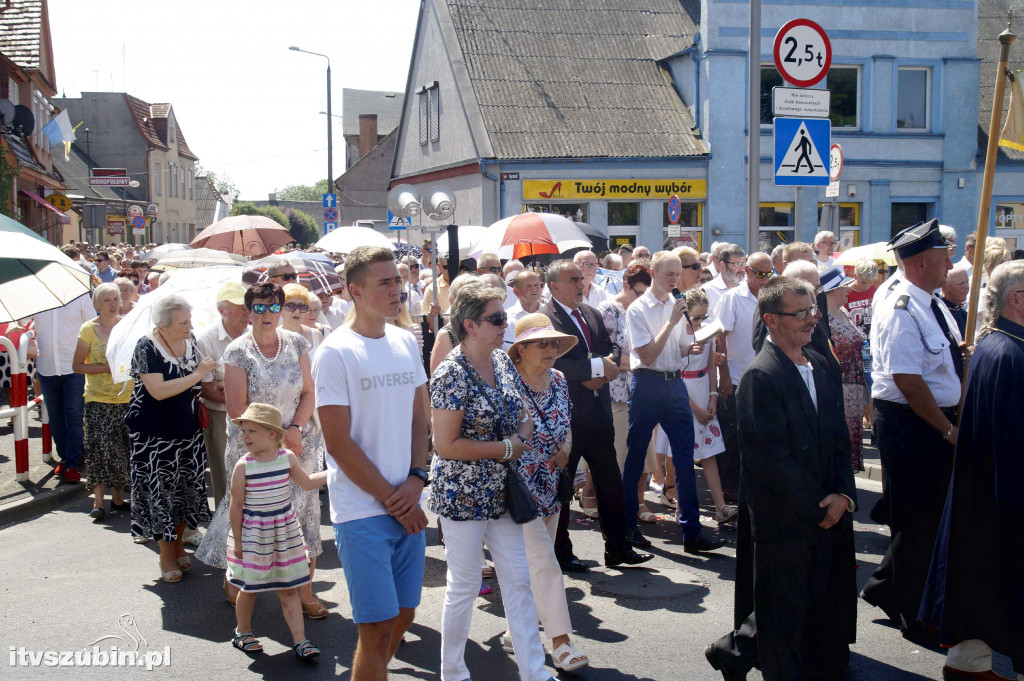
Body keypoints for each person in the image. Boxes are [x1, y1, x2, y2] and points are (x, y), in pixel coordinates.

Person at [706, 276, 857, 681]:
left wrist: (843, 492)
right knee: (782, 617)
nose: (812, 319)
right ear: (771, 320)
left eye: (813, 310)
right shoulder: (761, 376)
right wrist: (818, 506)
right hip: (787, 516)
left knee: (811, 602)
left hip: (828, 507)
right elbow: (769, 459)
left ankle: (733, 652)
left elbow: (839, 437)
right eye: (801, 313)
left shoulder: (821, 365)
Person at [312, 246, 430, 680]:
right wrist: (396, 500)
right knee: (376, 629)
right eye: (385, 282)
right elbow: (338, 442)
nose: (397, 290)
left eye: (398, 281)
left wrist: (417, 478)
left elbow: (421, 417)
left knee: (403, 616)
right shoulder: (335, 351)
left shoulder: (404, 340)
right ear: (355, 290)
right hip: (362, 511)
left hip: (408, 503)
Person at [429, 284, 554, 681]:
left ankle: (534, 671)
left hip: (502, 490)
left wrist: (520, 434)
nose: (506, 324)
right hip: (463, 494)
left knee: (518, 579)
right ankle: (453, 672)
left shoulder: (501, 361)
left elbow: (522, 412)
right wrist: (504, 447)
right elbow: (445, 445)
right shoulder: (450, 372)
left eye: (505, 317)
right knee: (464, 585)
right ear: (470, 325)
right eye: (498, 319)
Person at [919, 260, 1024, 681]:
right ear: (1018, 299)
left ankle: (969, 662)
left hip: (986, 484)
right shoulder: (1011, 354)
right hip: (1003, 488)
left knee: (979, 573)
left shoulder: (997, 344)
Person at [196, 283, 326, 619]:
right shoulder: (238, 352)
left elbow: (309, 392)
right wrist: (275, 440)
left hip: (299, 441)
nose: (266, 315)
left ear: (281, 310)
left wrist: (295, 430)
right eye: (259, 308)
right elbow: (238, 408)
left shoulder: (298, 342)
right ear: (248, 311)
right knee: (252, 513)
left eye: (273, 308)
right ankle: (237, 578)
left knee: (303, 510)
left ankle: (305, 590)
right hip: (254, 445)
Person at [860, 219, 962, 645]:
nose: (950, 265)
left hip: (932, 417)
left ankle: (884, 586)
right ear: (921, 263)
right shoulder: (903, 305)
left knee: (927, 516)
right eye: (943, 259)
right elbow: (908, 381)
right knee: (919, 519)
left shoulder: (930, 301)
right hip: (914, 423)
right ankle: (912, 613)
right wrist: (946, 430)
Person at [541, 259, 651, 570]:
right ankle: (561, 553)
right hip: (569, 417)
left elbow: (610, 346)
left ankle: (618, 547)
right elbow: (550, 360)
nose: (580, 284)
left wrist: (606, 366)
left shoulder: (591, 311)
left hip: (599, 409)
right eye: (573, 279)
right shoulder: (545, 319)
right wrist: (591, 369)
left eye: (581, 278)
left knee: (609, 480)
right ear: (554, 286)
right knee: (562, 486)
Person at [624, 250, 725, 554]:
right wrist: (670, 323)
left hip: (674, 384)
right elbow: (647, 356)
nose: (674, 279)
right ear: (653, 273)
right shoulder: (639, 309)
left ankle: (692, 532)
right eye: (668, 274)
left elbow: (679, 349)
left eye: (677, 273)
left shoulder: (676, 306)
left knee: (684, 460)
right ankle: (628, 527)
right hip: (647, 384)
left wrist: (692, 346)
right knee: (636, 456)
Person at [505, 313, 590, 672]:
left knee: (531, 565)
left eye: (554, 342)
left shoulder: (557, 379)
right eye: (543, 342)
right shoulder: (507, 384)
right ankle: (561, 643)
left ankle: (516, 629)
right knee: (545, 561)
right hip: (518, 488)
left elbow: (566, 422)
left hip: (551, 483)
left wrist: (568, 448)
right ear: (521, 350)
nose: (551, 348)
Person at [124, 295, 217, 581]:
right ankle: (166, 556)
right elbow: (158, 391)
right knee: (161, 495)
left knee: (184, 493)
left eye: (189, 320)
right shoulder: (146, 346)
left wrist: (208, 375)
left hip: (187, 432)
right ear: (163, 325)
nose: (189, 326)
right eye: (183, 322)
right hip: (154, 437)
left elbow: (201, 382)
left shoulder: (190, 343)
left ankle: (178, 548)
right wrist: (198, 374)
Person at [226, 403, 327, 659]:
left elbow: (306, 482)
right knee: (250, 587)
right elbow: (236, 505)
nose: (245, 437)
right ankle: (243, 632)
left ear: (272, 433)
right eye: (244, 431)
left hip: (284, 531)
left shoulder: (287, 458)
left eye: (252, 431)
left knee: (289, 587)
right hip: (254, 534)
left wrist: (334, 473)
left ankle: (300, 641)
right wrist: (238, 540)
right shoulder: (244, 466)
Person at [712, 251, 775, 502]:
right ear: (746, 272)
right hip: (738, 377)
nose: (764, 278)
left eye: (768, 273)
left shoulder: (773, 297)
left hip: (766, 377)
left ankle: (757, 483)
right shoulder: (733, 298)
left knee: (762, 434)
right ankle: (731, 488)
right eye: (759, 273)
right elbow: (720, 337)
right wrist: (724, 376)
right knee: (733, 435)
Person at [598, 263, 657, 523]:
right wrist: (641, 361)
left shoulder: (648, 309)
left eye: (648, 294)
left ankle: (640, 502)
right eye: (639, 293)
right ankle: (618, 505)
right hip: (618, 391)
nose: (643, 299)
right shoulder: (608, 310)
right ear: (625, 285)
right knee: (620, 453)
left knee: (646, 452)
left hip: (645, 389)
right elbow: (609, 355)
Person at [72, 283, 132, 521]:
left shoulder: (127, 326)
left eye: (115, 299)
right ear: (96, 304)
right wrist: (105, 368)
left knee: (120, 449)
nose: (113, 304)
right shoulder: (88, 329)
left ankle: (117, 498)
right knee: (99, 450)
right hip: (97, 399)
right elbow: (77, 366)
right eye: (106, 300)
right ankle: (98, 502)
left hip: (125, 398)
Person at [196, 282, 250, 506]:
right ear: (221, 310)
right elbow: (207, 388)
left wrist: (225, 384)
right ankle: (225, 531)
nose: (246, 313)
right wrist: (238, 394)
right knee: (225, 476)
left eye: (247, 307)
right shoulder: (206, 340)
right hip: (220, 416)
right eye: (239, 307)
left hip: (252, 416)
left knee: (254, 478)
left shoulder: (253, 335)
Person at [34, 293, 94, 483]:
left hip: (74, 365)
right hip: (47, 366)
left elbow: (91, 325)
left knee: (74, 414)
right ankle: (66, 457)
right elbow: (21, 319)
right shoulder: (35, 295)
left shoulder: (79, 296)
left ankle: (72, 462)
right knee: (55, 415)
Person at [821, 266, 866, 472]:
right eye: (844, 287)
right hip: (839, 389)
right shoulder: (823, 320)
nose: (849, 290)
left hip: (854, 388)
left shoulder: (844, 312)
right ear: (831, 291)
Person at [503, 269, 544, 350]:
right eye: (528, 286)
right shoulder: (506, 319)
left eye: (536, 285)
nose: (534, 289)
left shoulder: (551, 314)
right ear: (516, 292)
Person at [281, 284, 324, 354]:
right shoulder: (273, 337)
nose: (297, 311)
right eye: (291, 306)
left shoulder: (316, 335)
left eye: (302, 306)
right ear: (281, 309)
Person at [703, 244, 746, 312]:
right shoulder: (708, 291)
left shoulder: (747, 289)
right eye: (737, 264)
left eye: (744, 264)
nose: (742, 269)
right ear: (722, 265)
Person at [941, 266, 970, 337]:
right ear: (945, 287)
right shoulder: (938, 312)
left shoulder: (964, 315)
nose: (966, 286)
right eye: (961, 283)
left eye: (967, 282)